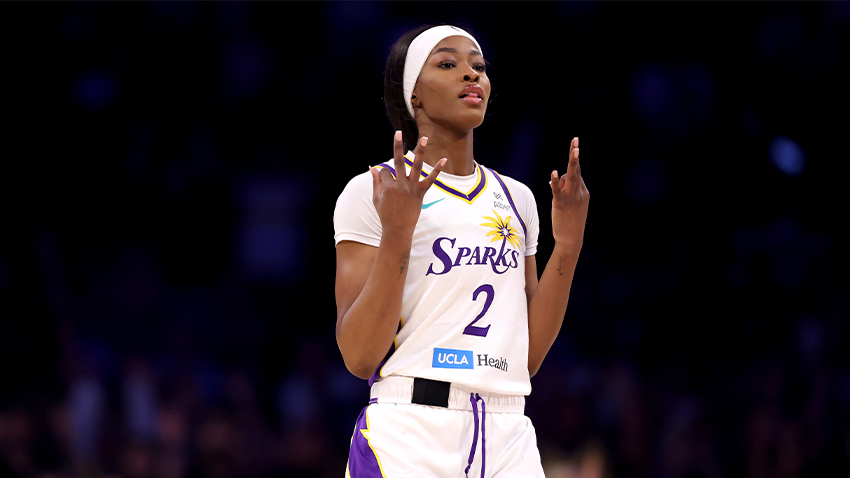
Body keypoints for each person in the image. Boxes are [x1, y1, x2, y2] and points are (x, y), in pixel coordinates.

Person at [333, 24, 588, 477]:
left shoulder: (516, 198)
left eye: (479, 66)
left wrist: (567, 245)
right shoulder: (373, 189)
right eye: (448, 64)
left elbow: (526, 358)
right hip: (410, 429)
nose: (472, 75)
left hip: (508, 431)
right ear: (413, 94)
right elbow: (359, 356)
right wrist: (397, 234)